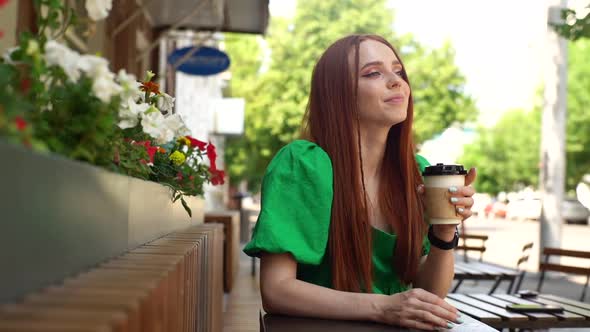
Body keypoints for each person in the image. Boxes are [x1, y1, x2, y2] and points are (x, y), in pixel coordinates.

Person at [243, 34, 477, 330]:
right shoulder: (303, 164)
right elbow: (276, 291)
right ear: (337, 94)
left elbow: (429, 295)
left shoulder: (416, 171)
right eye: (373, 72)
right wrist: (384, 308)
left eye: (398, 71)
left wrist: (443, 230)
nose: (397, 82)